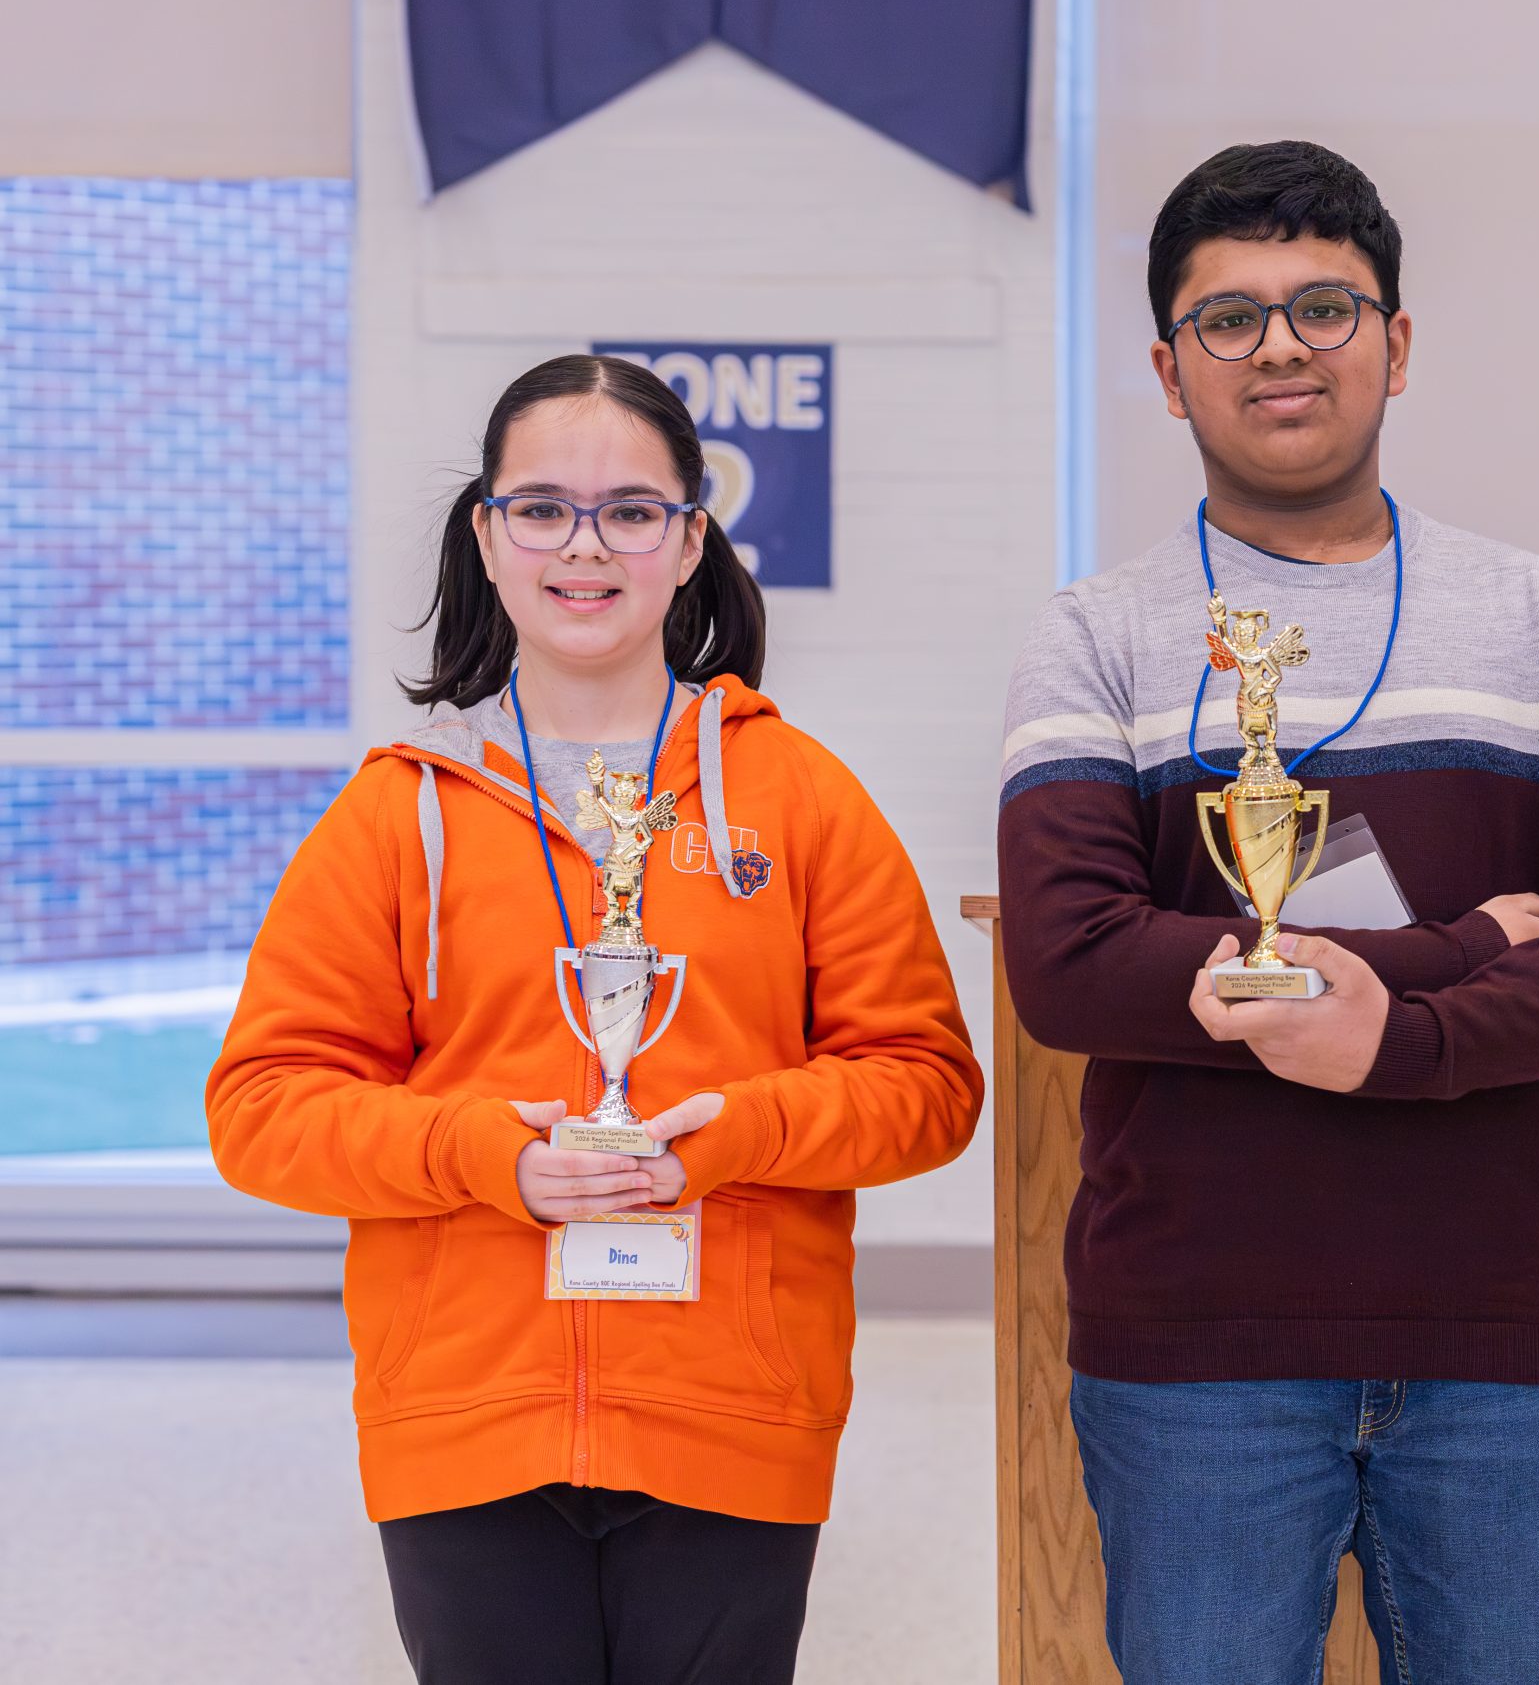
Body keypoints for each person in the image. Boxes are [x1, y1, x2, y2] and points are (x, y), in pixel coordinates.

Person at [996, 141, 1539, 1684]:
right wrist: (1454, 954)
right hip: (1195, 1349)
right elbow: (1066, 964)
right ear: (1166, 367)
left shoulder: (1536, 614)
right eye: (1230, 317)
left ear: (1396, 346)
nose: (1280, 345)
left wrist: (1398, 1042)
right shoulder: (1099, 637)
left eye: (1325, 306)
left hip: (1503, 1340)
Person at [207, 354, 983, 1685]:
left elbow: (926, 1081)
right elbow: (262, 1107)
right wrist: (487, 1156)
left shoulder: (794, 797)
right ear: (488, 538)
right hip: (465, 1409)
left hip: (735, 1402)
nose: (587, 544)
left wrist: (733, 1132)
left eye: (631, 509)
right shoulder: (401, 811)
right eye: (544, 507)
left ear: (690, 541)